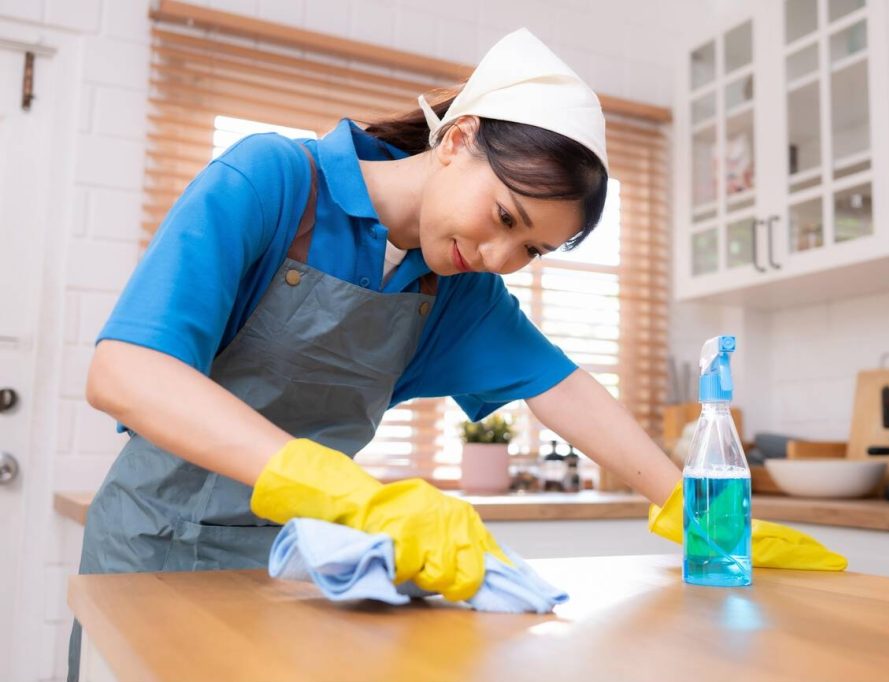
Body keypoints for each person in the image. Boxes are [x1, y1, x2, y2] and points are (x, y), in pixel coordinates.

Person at [67, 27, 844, 681]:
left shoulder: (455, 286)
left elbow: (561, 387)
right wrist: (349, 492)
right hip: (152, 555)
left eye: (531, 249)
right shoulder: (273, 183)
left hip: (292, 569)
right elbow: (127, 372)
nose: (502, 255)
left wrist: (691, 511)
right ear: (460, 138)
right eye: (505, 215)